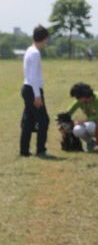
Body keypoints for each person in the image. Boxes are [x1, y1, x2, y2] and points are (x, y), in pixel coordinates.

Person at [20, 25, 51, 158]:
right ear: (44, 39)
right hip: (33, 89)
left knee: (29, 121)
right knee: (44, 121)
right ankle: (41, 150)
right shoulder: (35, 53)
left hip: (27, 88)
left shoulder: (29, 50)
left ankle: (24, 150)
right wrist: (37, 96)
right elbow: (33, 76)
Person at [64, 82, 98, 153]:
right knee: (76, 129)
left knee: (89, 125)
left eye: (78, 97)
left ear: (84, 95)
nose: (77, 99)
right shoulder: (81, 100)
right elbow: (69, 112)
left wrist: (82, 121)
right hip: (93, 124)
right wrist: (63, 121)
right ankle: (90, 142)